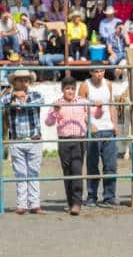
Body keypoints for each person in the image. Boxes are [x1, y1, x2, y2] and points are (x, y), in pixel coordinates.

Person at [45, 77, 90, 216]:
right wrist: (54, 111)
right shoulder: (57, 103)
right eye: (67, 88)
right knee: (67, 172)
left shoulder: (83, 102)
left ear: (75, 90)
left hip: (78, 140)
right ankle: (70, 202)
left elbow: (95, 115)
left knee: (77, 170)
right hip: (64, 141)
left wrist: (99, 107)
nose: (70, 91)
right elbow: (48, 122)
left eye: (72, 88)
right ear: (62, 90)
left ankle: (77, 203)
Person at [1, 70, 44, 214]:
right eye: (19, 80)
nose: (23, 82)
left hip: (34, 139)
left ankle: (34, 204)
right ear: (14, 82)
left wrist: (21, 100)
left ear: (29, 82)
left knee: (33, 172)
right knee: (20, 173)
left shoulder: (36, 95)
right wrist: (13, 96)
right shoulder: (8, 97)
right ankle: (22, 204)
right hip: (17, 140)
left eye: (25, 80)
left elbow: (40, 101)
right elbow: (1, 102)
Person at [78, 67, 119, 208]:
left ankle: (109, 196)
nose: (99, 74)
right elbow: (80, 108)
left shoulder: (108, 84)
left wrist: (115, 124)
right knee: (92, 165)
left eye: (101, 71)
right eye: (96, 71)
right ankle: (92, 196)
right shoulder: (85, 85)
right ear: (90, 72)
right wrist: (88, 124)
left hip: (108, 128)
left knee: (111, 165)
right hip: (93, 130)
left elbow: (111, 105)